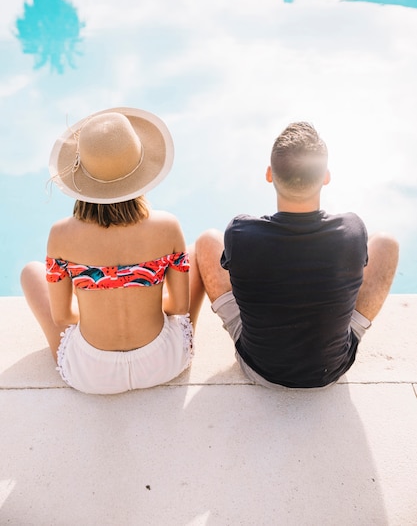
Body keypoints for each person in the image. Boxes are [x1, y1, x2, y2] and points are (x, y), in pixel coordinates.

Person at [191, 122, 399, 389]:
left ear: (269, 175)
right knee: (386, 242)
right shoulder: (352, 229)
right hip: (332, 367)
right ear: (326, 176)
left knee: (207, 239)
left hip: (258, 367)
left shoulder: (240, 232)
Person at [21, 107, 199, 395]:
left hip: (92, 375)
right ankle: (184, 342)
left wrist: (101, 300)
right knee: (194, 253)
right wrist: (140, 295)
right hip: (163, 363)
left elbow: (63, 317)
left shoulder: (61, 235)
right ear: (141, 173)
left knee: (30, 272)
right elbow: (179, 307)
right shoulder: (167, 226)